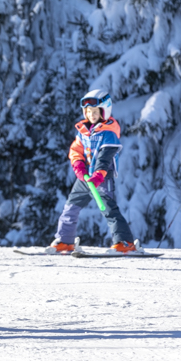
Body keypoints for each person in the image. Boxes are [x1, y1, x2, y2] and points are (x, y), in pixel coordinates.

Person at [47, 89, 137, 254]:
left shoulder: (109, 134)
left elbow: (105, 158)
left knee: (108, 209)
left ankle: (124, 242)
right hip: (85, 178)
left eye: (95, 111)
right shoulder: (83, 132)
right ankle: (65, 241)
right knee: (71, 207)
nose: (91, 115)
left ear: (104, 111)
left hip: (101, 178)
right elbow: (76, 150)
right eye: (88, 112)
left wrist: (98, 175)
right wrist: (79, 166)